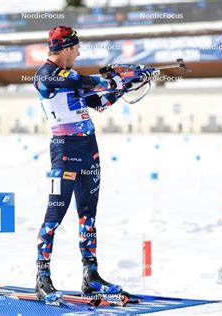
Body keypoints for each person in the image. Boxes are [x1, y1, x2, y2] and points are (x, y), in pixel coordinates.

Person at [33, 26, 146, 300]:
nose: (80, 52)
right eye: (77, 48)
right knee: (54, 215)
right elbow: (82, 82)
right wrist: (116, 78)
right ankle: (42, 277)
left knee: (88, 216)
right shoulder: (47, 74)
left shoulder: (71, 77)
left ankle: (90, 275)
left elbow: (100, 101)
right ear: (67, 49)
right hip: (65, 151)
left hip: (89, 150)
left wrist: (127, 84)